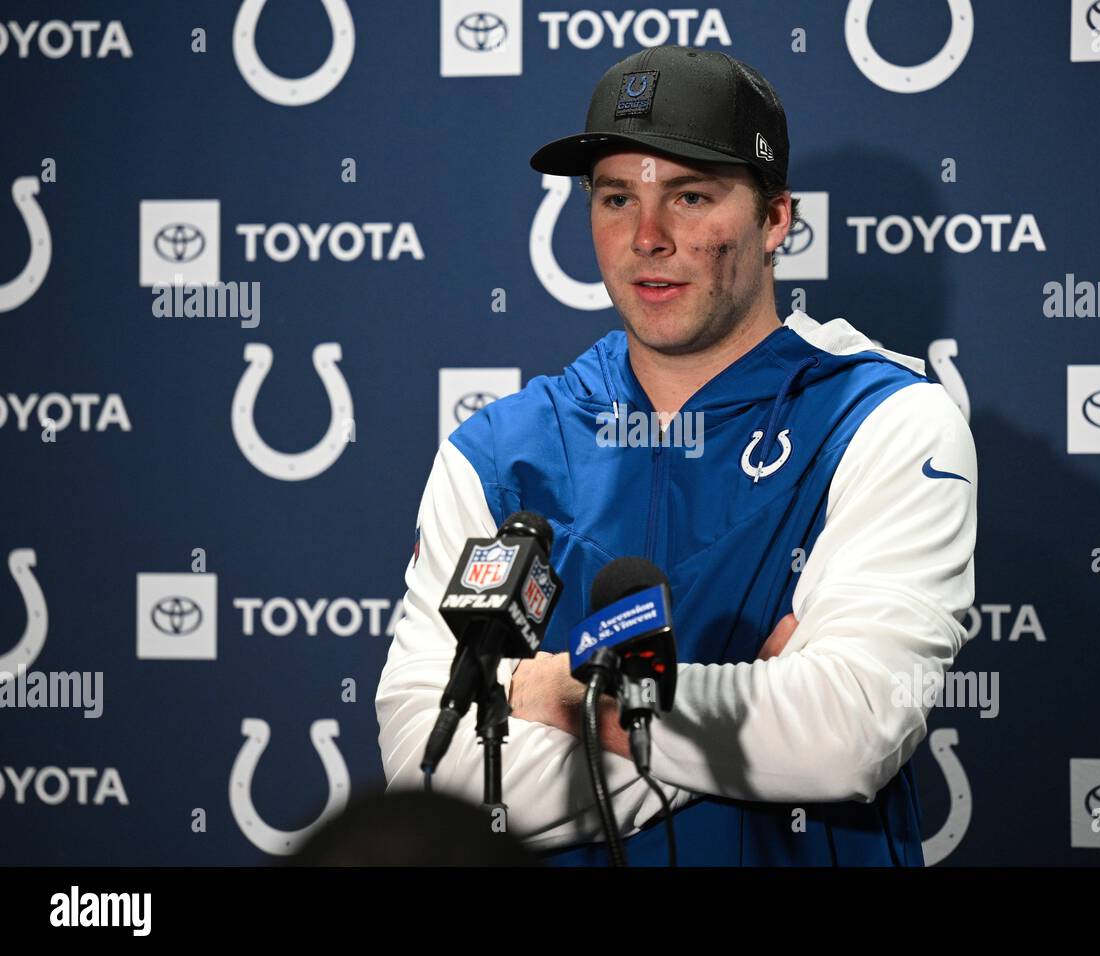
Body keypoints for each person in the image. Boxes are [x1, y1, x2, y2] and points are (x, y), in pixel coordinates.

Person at [375, 45, 977, 866]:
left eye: (690, 196)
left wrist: (556, 694)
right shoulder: (498, 452)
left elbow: (849, 732)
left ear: (775, 220)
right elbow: (436, 775)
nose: (647, 237)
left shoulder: (886, 421)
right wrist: (744, 707)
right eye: (616, 198)